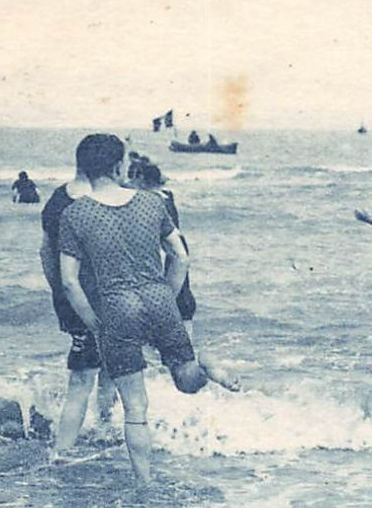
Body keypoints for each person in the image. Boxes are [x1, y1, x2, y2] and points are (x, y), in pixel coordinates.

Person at [56, 133, 239, 485]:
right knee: (186, 381)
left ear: (85, 169)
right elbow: (180, 256)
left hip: (116, 308)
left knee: (135, 408)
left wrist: (94, 322)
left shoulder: (75, 214)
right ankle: (205, 365)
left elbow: (68, 282)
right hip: (159, 299)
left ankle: (145, 484)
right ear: (119, 166)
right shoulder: (152, 203)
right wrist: (167, 297)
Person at [39, 157, 115, 453]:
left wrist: (61, 293)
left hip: (72, 301)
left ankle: (96, 433)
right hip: (104, 301)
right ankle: (63, 450)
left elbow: (45, 253)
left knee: (89, 373)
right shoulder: (101, 202)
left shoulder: (57, 200)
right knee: (96, 375)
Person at [128, 161, 197, 336]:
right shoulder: (166, 196)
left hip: (164, 256)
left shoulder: (152, 203)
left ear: (140, 178)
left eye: (132, 178)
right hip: (176, 251)